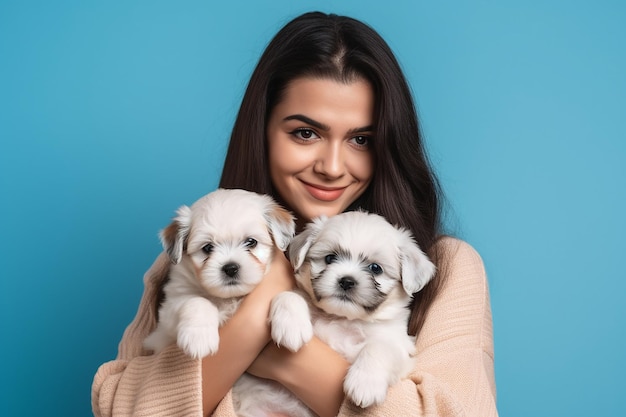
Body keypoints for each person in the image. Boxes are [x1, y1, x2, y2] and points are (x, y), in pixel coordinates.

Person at [92, 11, 498, 417]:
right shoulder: (190, 260)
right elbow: (118, 407)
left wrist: (274, 351)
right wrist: (255, 318)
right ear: (262, 131)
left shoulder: (449, 266)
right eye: (306, 133)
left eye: (360, 139)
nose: (332, 166)